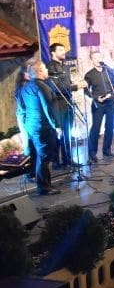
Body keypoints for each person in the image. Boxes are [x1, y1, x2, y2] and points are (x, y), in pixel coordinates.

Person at [15, 60, 60, 195]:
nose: (47, 71)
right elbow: (47, 107)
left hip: (31, 125)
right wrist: (56, 125)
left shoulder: (25, 88)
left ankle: (43, 182)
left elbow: (22, 109)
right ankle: (44, 187)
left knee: (40, 155)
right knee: (44, 156)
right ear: (39, 71)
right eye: (45, 69)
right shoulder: (41, 87)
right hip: (43, 126)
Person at [82, 50, 114, 162]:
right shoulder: (89, 74)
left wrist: (112, 94)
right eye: (95, 58)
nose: (98, 60)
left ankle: (107, 150)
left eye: (99, 57)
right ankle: (92, 154)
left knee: (110, 127)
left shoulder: (108, 71)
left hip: (110, 102)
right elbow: (86, 90)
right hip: (98, 104)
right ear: (92, 60)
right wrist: (96, 97)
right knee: (96, 128)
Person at [47, 42, 78, 167]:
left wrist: (73, 86)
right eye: (60, 50)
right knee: (58, 133)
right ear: (53, 53)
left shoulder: (65, 66)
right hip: (58, 104)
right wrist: (75, 87)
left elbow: (68, 84)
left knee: (68, 132)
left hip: (68, 102)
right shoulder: (50, 68)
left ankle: (68, 159)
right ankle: (55, 161)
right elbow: (56, 88)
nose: (63, 52)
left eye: (63, 49)